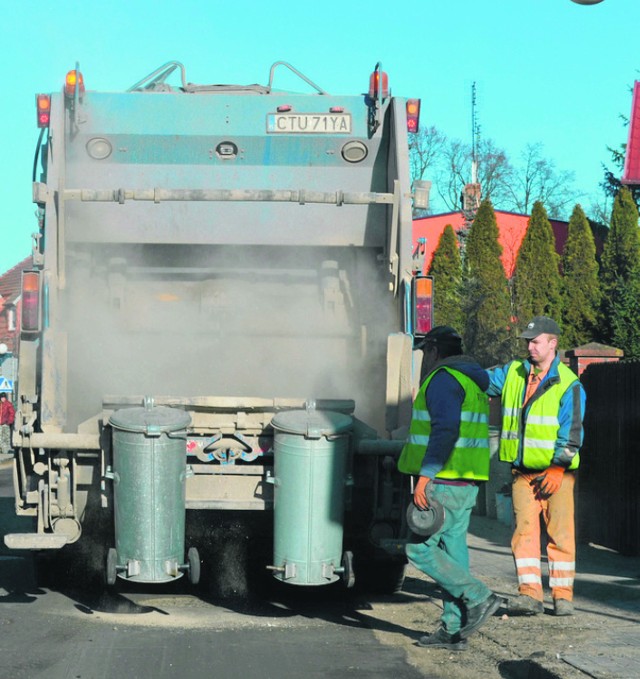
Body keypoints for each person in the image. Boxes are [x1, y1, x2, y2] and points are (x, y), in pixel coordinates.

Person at [398, 326, 503, 651]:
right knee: (453, 551)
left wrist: (426, 478)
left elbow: (444, 431)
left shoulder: (444, 379)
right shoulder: (472, 379)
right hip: (466, 479)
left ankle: (479, 596)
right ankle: (454, 631)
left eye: (424, 353)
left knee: (419, 549)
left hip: (443, 480)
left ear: (433, 351)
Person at [486, 316, 586, 617]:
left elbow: (573, 433)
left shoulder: (569, 384)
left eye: (535, 341)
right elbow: (483, 381)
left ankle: (562, 596)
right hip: (523, 473)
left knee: (561, 534)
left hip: (557, 474)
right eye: (528, 341)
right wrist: (456, 368)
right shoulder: (514, 373)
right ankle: (529, 594)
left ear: (552, 343)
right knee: (524, 535)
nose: (529, 346)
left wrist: (557, 468)